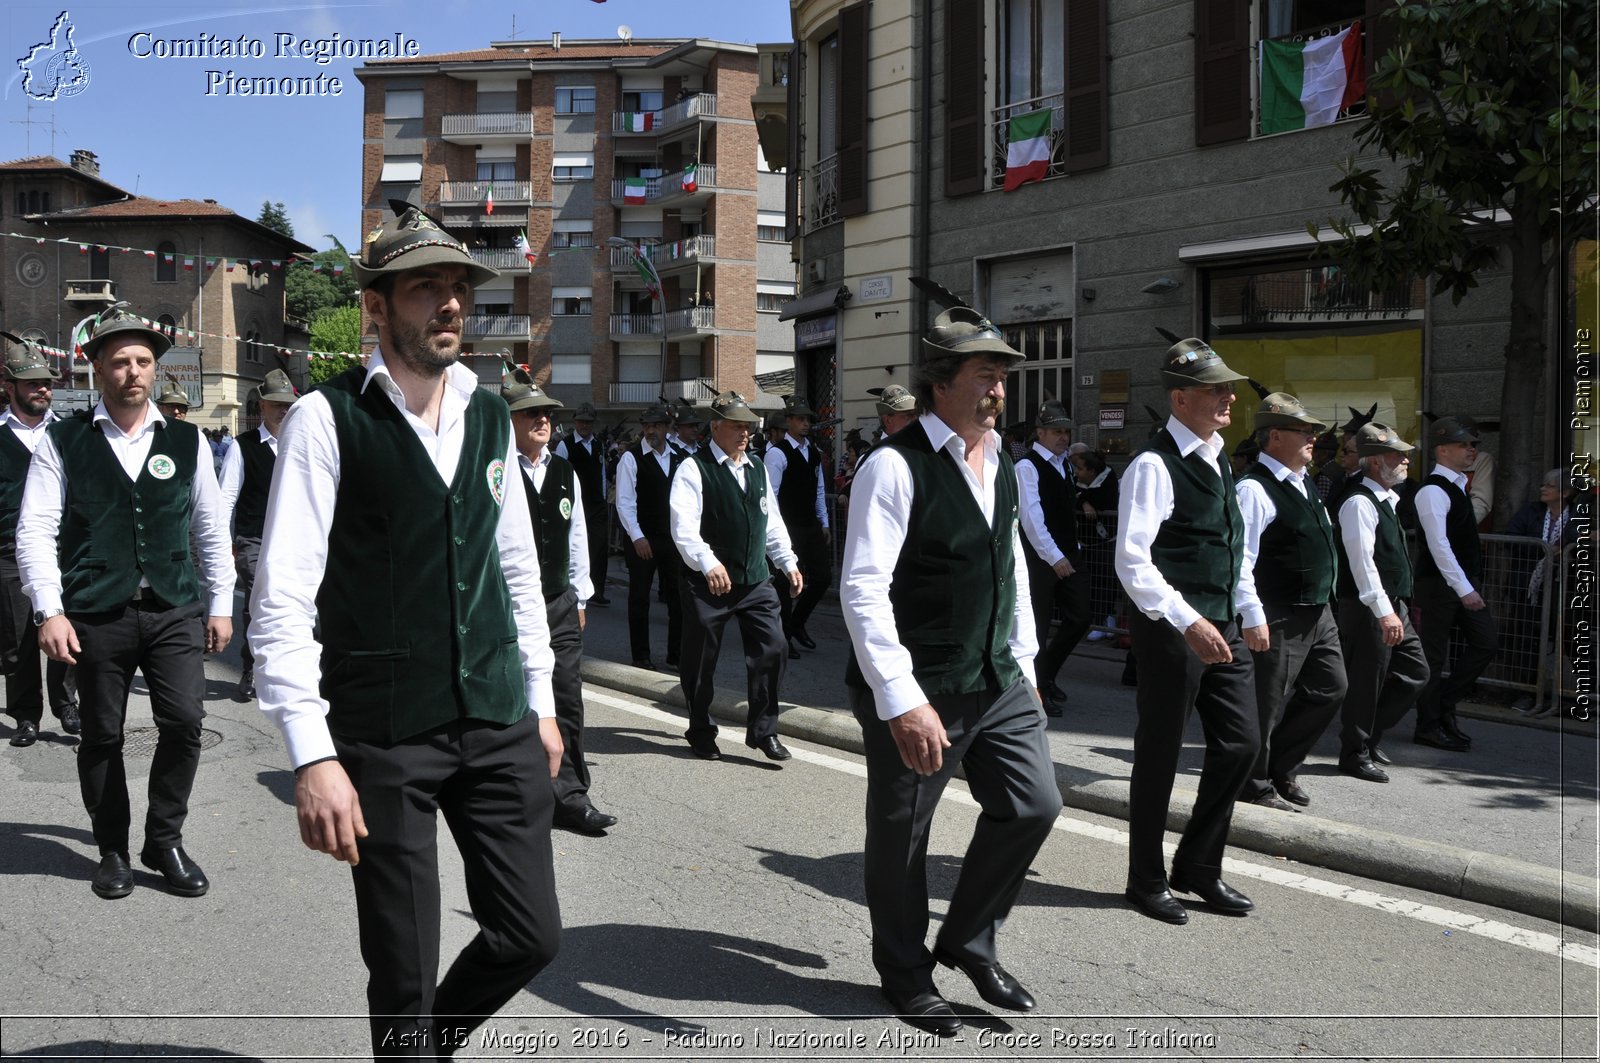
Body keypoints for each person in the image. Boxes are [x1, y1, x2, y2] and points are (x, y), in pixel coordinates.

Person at [250, 203, 561, 1055]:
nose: (452, 304)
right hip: (386, 728)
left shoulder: (491, 414)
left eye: (459, 287)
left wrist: (540, 702)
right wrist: (312, 754)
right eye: (428, 288)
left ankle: (429, 1042)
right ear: (379, 307)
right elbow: (282, 597)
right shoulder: (327, 418)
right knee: (402, 972)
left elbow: (518, 570)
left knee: (531, 934)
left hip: (496, 716)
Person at [842, 306, 1059, 1037]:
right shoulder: (892, 466)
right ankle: (905, 973)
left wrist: (1023, 663)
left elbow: (1012, 569)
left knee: (1034, 804)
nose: (999, 389)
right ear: (942, 382)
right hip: (920, 682)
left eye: (1002, 376)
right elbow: (863, 586)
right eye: (984, 374)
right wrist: (901, 699)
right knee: (904, 834)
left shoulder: (1003, 461)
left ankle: (968, 937)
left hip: (997, 676)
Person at [18, 304, 234, 899]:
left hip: (172, 608)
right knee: (103, 734)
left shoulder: (187, 441)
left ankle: (163, 839)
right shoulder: (62, 442)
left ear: (154, 369)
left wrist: (221, 603)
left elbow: (211, 528)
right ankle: (112, 846)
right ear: (95, 368)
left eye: (143, 360)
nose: (134, 372)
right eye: (120, 362)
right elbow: (35, 529)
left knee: (186, 720)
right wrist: (49, 609)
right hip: (96, 612)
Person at [1114, 337, 1258, 926]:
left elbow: (1232, 544)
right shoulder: (1154, 464)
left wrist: (1247, 608)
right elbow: (1132, 560)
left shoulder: (1218, 455)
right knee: (1161, 754)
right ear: (1180, 399)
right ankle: (1145, 878)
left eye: (1228, 387)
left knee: (1244, 743)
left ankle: (1198, 865)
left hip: (1221, 621)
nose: (1228, 397)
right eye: (1214, 389)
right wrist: (1188, 619)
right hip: (1174, 626)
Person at [503, 369, 616, 834]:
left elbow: (577, 537)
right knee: (512, 701)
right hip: (506, 607)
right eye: (531, 413)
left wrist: (581, 594)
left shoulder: (565, 469)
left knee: (567, 697)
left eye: (547, 413)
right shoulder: (495, 468)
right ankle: (513, 793)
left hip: (559, 603)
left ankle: (570, 797)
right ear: (509, 419)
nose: (543, 420)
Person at [669, 391, 801, 761]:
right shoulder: (693, 468)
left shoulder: (756, 467)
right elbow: (683, 527)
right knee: (699, 661)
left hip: (756, 580)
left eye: (748, 426)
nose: (744, 433)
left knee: (773, 648)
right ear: (715, 427)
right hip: (709, 582)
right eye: (736, 425)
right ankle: (699, 728)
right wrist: (707, 562)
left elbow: (770, 521)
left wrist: (786, 561)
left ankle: (763, 730)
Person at [1233, 394, 1346, 812]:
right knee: (1267, 702)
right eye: (1305, 431)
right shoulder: (1253, 489)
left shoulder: (1302, 481)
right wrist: (1252, 615)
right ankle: (1255, 782)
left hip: (1318, 611)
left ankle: (1282, 766)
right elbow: (1240, 559)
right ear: (1274, 436)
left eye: (1313, 431)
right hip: (1277, 612)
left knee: (1331, 688)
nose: (1313, 438)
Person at [1332, 423, 1428, 782]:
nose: (1405, 460)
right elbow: (1362, 564)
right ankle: (1354, 752)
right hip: (1370, 607)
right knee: (1366, 680)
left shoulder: (1386, 499)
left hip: (1391, 604)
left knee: (1416, 672)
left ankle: (1368, 736)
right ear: (1374, 462)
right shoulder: (1359, 502)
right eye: (1396, 454)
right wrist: (1384, 611)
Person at [0, 335, 78, 747]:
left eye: (46, 382)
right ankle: (26, 715)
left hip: (63, 550)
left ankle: (66, 704)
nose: (43, 389)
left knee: (65, 627)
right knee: (18, 641)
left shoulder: (69, 436)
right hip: (9, 554)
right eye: (32, 383)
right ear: (9, 387)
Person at [1412, 416, 1496, 752]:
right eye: (1465, 444)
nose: (1472, 449)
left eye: (1473, 444)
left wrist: (1467, 585)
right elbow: (1438, 545)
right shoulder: (1433, 490)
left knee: (1486, 643)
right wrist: (1464, 588)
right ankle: (1428, 725)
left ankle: (1444, 705)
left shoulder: (1458, 485)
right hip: (1438, 586)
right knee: (1433, 657)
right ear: (1443, 449)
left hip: (1460, 583)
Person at [218, 369, 298, 702]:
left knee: (294, 606)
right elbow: (225, 500)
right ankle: (251, 667)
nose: (283, 410)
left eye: (288, 404)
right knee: (258, 602)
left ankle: (288, 670)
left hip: (295, 540)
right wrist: (223, 547)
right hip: (255, 539)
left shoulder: (302, 443)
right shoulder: (243, 447)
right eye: (276, 404)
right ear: (262, 405)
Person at [1016, 400, 1091, 717]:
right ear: (1040, 432)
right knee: (1037, 628)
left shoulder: (1064, 465)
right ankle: (1035, 691)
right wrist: (1054, 556)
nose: (1063, 437)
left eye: (1065, 431)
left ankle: (1044, 675)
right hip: (1041, 560)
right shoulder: (1027, 467)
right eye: (1057, 431)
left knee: (1081, 617)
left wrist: (1072, 548)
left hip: (1067, 554)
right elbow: (1032, 519)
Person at [616, 405, 683, 671]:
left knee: (678, 599)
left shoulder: (679, 457)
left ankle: (676, 655)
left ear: (667, 428)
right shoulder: (631, 459)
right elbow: (624, 502)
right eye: (646, 425)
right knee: (640, 598)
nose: (650, 430)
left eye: (656, 425)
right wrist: (637, 537)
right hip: (642, 539)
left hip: (672, 539)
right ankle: (641, 655)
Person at [764, 396, 832, 658]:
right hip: (787, 528)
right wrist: (776, 532)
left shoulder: (813, 451)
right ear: (789, 421)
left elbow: (819, 490)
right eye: (800, 419)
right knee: (784, 584)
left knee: (822, 578)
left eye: (808, 420)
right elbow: (771, 495)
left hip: (811, 526)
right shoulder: (777, 452)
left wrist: (824, 522)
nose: (805, 424)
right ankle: (784, 636)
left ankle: (797, 623)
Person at [554, 402, 610, 606]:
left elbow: (602, 473)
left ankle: (597, 591)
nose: (584, 425)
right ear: (575, 422)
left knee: (599, 549)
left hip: (597, 506)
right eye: (581, 421)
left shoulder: (598, 444)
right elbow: (558, 474)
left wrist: (603, 498)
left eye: (588, 422)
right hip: (574, 505)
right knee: (574, 547)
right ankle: (571, 589)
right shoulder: (565, 445)